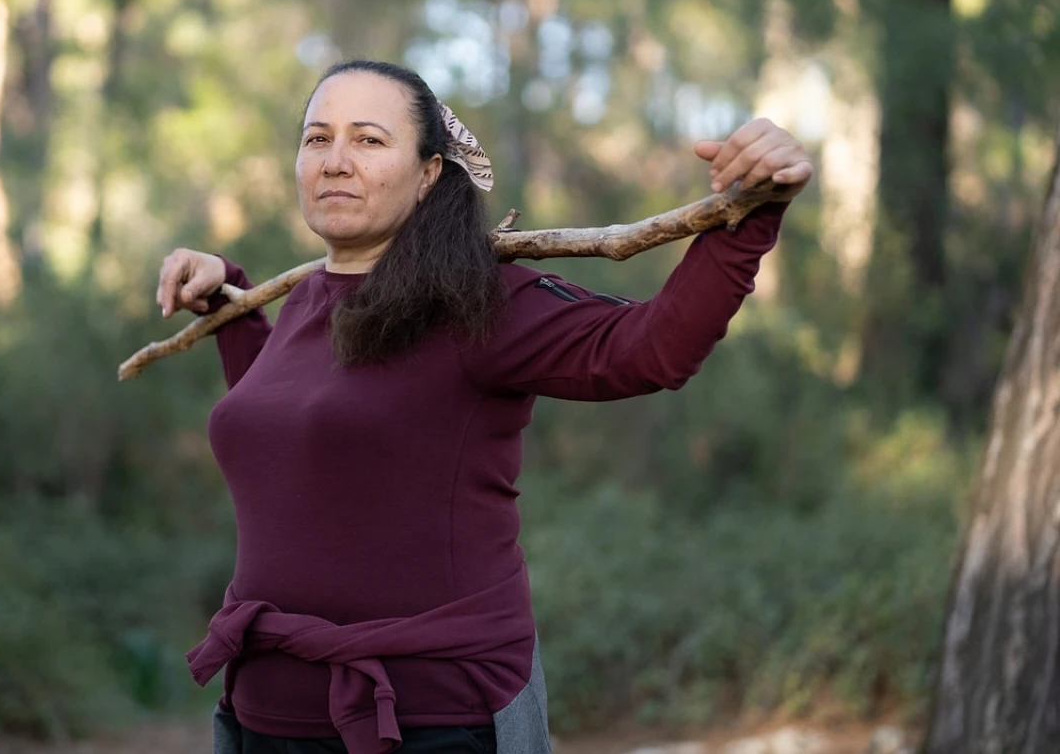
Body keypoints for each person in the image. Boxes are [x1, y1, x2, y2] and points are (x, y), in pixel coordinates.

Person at [155, 60, 813, 754]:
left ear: (429, 173)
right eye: (318, 139)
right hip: (262, 716)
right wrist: (230, 299)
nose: (337, 161)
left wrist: (750, 213)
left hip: (433, 721)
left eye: (370, 141)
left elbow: (647, 350)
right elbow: (295, 433)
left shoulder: (482, 301)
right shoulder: (305, 302)